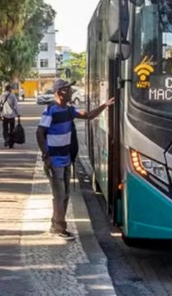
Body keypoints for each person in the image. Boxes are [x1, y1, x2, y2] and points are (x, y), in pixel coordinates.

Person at [36, 79, 114, 241]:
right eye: (67, 89)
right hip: (55, 161)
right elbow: (40, 133)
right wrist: (46, 155)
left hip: (66, 159)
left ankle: (56, 225)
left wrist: (105, 105)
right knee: (60, 195)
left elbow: (89, 115)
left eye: (71, 89)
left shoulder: (69, 110)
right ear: (59, 92)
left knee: (64, 196)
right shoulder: (51, 110)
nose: (71, 92)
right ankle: (59, 228)